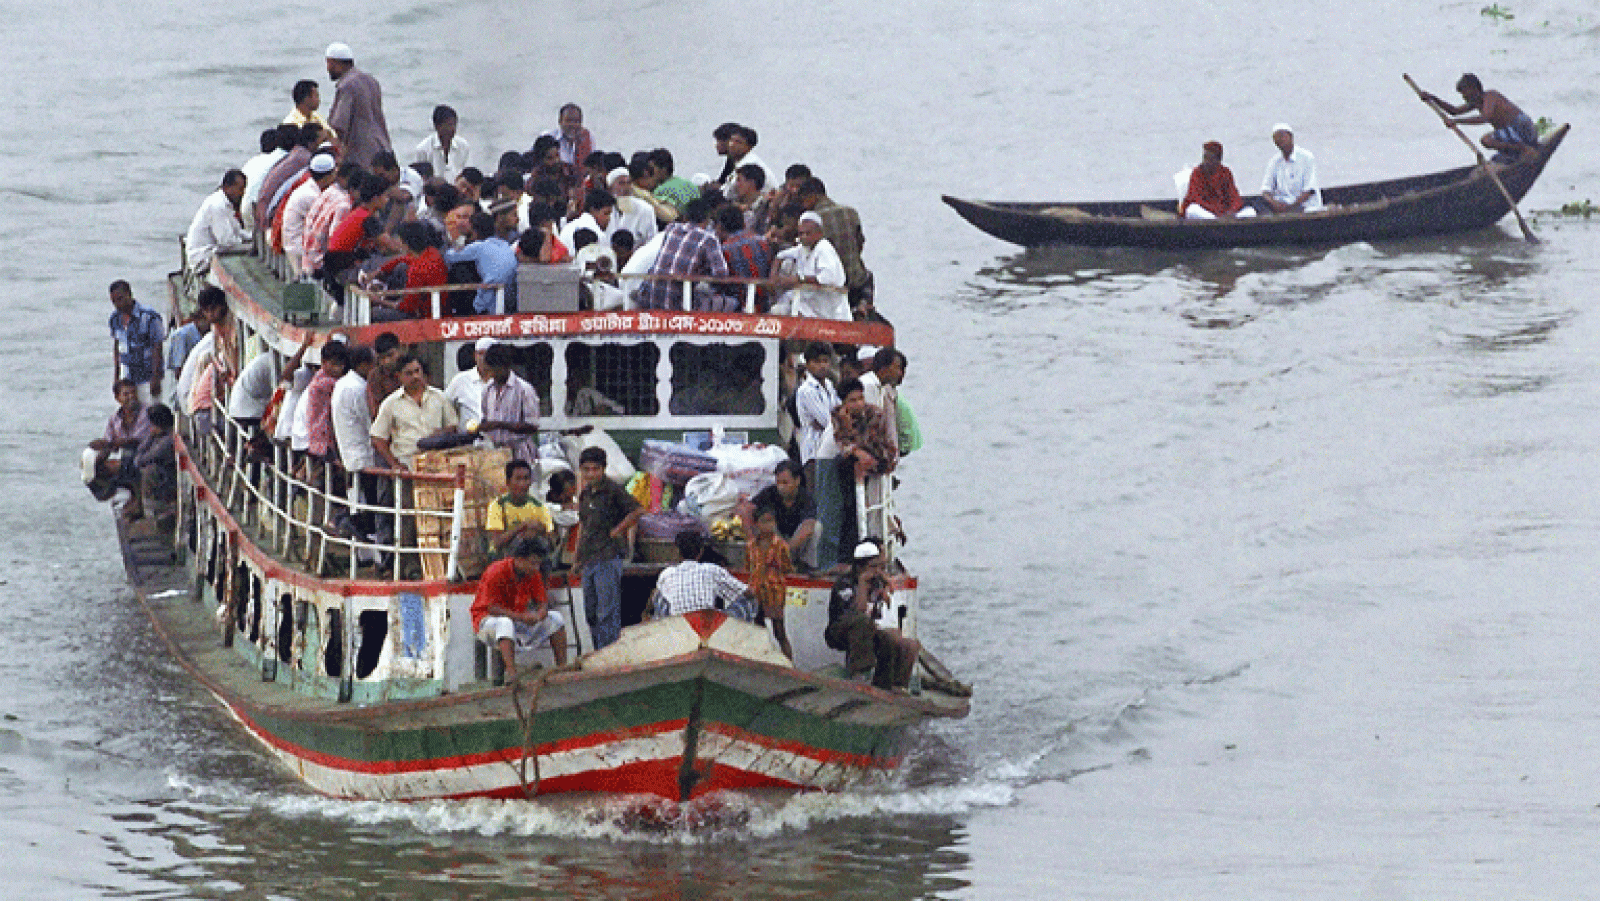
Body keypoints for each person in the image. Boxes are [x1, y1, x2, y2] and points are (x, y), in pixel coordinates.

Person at [471, 535, 569, 682]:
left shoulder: (533, 573)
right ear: (519, 559)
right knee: (505, 623)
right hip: (486, 623)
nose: (536, 568)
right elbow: (491, 608)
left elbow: (542, 602)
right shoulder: (496, 571)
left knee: (556, 618)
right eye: (532, 563)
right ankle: (512, 674)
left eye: (538, 564)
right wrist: (521, 617)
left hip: (517, 621)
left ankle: (562, 668)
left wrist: (540, 614)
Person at [826, 540, 919, 691]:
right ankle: (860, 674)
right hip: (841, 630)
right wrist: (862, 585)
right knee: (862, 622)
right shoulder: (845, 584)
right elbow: (858, 611)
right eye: (873, 567)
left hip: (867, 628)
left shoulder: (877, 583)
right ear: (861, 567)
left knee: (899, 642)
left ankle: (892, 685)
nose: (877, 571)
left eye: (879, 567)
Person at [575, 446, 643, 649]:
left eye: (595, 469)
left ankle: (609, 654)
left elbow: (638, 510)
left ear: (603, 469)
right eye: (586, 469)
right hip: (589, 559)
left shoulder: (613, 490)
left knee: (607, 613)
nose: (590, 474)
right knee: (591, 612)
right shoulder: (585, 494)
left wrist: (617, 530)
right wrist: (577, 558)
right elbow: (583, 527)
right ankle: (599, 651)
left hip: (608, 557)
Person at [1422, 73, 1541, 164]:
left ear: (1474, 88)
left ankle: (1524, 149)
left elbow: (1485, 117)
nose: (1464, 96)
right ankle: (1517, 151)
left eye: (1465, 92)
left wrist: (1456, 122)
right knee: (1496, 155)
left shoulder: (1490, 96)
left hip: (1522, 129)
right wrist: (1433, 98)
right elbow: (1454, 111)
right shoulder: (1476, 102)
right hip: (1512, 134)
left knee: (1486, 140)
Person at [636, 197, 729, 310]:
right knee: (730, 302)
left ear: (685, 217)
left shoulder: (671, 228)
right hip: (675, 304)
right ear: (707, 219)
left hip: (647, 297)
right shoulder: (709, 239)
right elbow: (721, 275)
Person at [369, 354, 458, 470]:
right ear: (398, 376)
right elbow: (378, 438)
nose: (415, 376)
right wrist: (394, 464)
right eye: (409, 373)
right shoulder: (390, 403)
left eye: (417, 371)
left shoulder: (439, 397)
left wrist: (441, 434)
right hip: (407, 465)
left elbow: (452, 426)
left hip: (437, 463)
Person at [796, 178, 871, 309]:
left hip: (830, 286)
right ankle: (863, 307)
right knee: (868, 276)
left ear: (812, 197)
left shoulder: (811, 221)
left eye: (803, 201)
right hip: (855, 281)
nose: (803, 205)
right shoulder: (851, 213)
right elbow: (860, 243)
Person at [650, 530, 757, 621]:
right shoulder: (712, 569)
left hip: (678, 626)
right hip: (708, 626)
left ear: (676, 551)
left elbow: (655, 598)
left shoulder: (667, 573)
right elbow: (747, 593)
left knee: (660, 595)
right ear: (701, 551)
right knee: (749, 601)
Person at [323, 42, 392, 167]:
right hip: (382, 148)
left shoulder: (346, 85)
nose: (328, 68)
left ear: (335, 63)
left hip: (361, 155)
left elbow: (338, 125)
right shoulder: (371, 81)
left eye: (329, 63)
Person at [772, 212, 848, 319]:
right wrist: (774, 275)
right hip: (810, 301)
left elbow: (827, 278)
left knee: (790, 307)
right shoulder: (804, 248)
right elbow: (780, 256)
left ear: (819, 233)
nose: (804, 237)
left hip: (828, 306)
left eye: (808, 233)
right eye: (801, 234)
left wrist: (799, 279)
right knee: (778, 309)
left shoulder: (824, 249)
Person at [444, 210, 518, 314]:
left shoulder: (479, 247)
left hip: (488, 301)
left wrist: (458, 242)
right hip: (510, 298)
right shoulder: (504, 244)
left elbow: (449, 257)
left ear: (474, 232)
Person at [478, 342, 541, 464]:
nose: (492, 374)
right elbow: (485, 417)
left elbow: (532, 426)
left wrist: (500, 425)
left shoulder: (524, 389)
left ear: (505, 366)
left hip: (520, 452)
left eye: (494, 370)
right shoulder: (487, 390)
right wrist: (482, 426)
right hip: (495, 452)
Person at [745, 505, 795, 657]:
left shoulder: (781, 546)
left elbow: (787, 568)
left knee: (779, 632)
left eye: (771, 521)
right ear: (757, 524)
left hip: (775, 592)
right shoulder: (751, 546)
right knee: (758, 631)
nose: (769, 525)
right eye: (764, 521)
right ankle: (761, 661)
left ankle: (789, 665)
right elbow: (749, 567)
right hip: (756, 592)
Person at [107, 280, 165, 405]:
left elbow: (157, 346)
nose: (117, 304)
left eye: (120, 299)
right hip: (128, 378)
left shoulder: (149, 316)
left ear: (129, 294)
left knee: (152, 413)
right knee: (131, 414)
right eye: (114, 301)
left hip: (147, 376)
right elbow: (117, 347)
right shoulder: (115, 319)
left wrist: (156, 377)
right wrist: (116, 377)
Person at [486, 459, 554, 556]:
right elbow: (497, 543)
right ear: (508, 482)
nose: (522, 484)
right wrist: (522, 527)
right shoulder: (498, 506)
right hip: (502, 557)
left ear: (530, 481)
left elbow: (550, 541)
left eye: (526, 479)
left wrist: (540, 530)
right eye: (518, 479)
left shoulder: (539, 506)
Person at [185, 169, 248, 273]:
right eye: (240, 189)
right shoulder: (217, 206)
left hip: (212, 250)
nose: (242, 193)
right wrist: (247, 246)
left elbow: (236, 231)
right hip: (201, 257)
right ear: (227, 187)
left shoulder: (226, 203)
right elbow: (227, 242)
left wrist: (251, 237)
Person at [716, 203, 773, 312]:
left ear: (721, 226)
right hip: (765, 303)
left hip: (740, 305)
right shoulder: (762, 241)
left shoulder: (724, 249)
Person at [1181, 141, 1254, 220]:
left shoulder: (1225, 172)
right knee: (1192, 210)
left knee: (1251, 212)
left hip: (1225, 214)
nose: (1206, 162)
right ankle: (1217, 221)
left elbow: (1234, 197)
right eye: (1205, 157)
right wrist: (1216, 212)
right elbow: (1195, 198)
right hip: (1206, 212)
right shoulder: (1197, 172)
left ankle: (1221, 222)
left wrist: (1231, 211)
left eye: (1210, 159)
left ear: (1218, 160)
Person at [1261, 124, 1322, 214]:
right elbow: (1266, 190)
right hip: (1283, 205)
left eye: (1282, 136)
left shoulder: (1306, 157)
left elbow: (1309, 190)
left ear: (1291, 137)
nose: (1280, 140)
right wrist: (1275, 204)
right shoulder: (1274, 162)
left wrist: (1292, 207)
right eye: (1276, 138)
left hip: (1304, 206)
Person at [413, 104, 469, 184]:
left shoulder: (463, 146)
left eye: (454, 125)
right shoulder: (423, 149)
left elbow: (467, 173)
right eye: (448, 125)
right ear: (437, 126)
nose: (452, 129)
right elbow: (418, 178)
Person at [284, 78, 335, 144]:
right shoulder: (290, 123)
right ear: (307, 98)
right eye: (316, 96)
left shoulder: (315, 116)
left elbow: (332, 135)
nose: (319, 100)